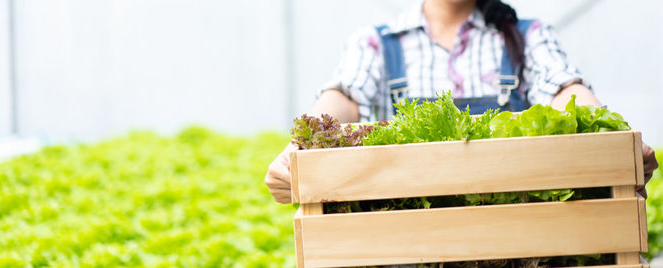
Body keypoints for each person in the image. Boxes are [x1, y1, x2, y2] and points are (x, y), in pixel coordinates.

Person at [265, 0, 658, 204]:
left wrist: (611, 135)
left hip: (519, 232)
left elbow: (565, 91)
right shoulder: (376, 43)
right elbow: (344, 96)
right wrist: (301, 145)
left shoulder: (526, 34)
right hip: (407, 244)